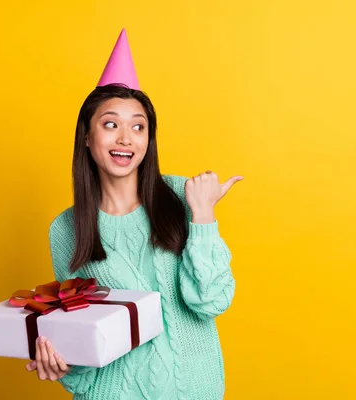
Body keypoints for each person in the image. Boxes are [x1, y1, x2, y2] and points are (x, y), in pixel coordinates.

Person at [24, 29, 242, 399]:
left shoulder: (182, 195)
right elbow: (85, 335)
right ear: (87, 137)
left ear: (148, 140)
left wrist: (203, 218)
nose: (126, 137)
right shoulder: (65, 229)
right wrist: (60, 364)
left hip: (196, 390)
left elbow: (210, 303)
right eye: (111, 124)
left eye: (138, 126)